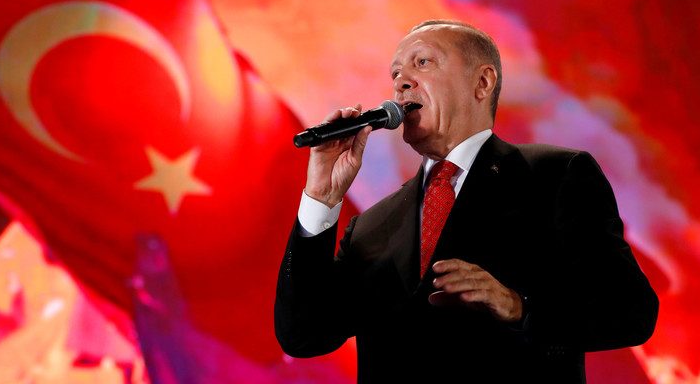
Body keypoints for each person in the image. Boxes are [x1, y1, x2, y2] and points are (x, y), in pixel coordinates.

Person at [274, 20, 659, 383]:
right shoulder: (372, 226)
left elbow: (631, 312)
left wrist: (518, 306)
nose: (401, 83)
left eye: (422, 62)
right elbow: (304, 334)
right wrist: (321, 198)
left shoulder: (555, 176)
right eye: (395, 74)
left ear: (482, 82)